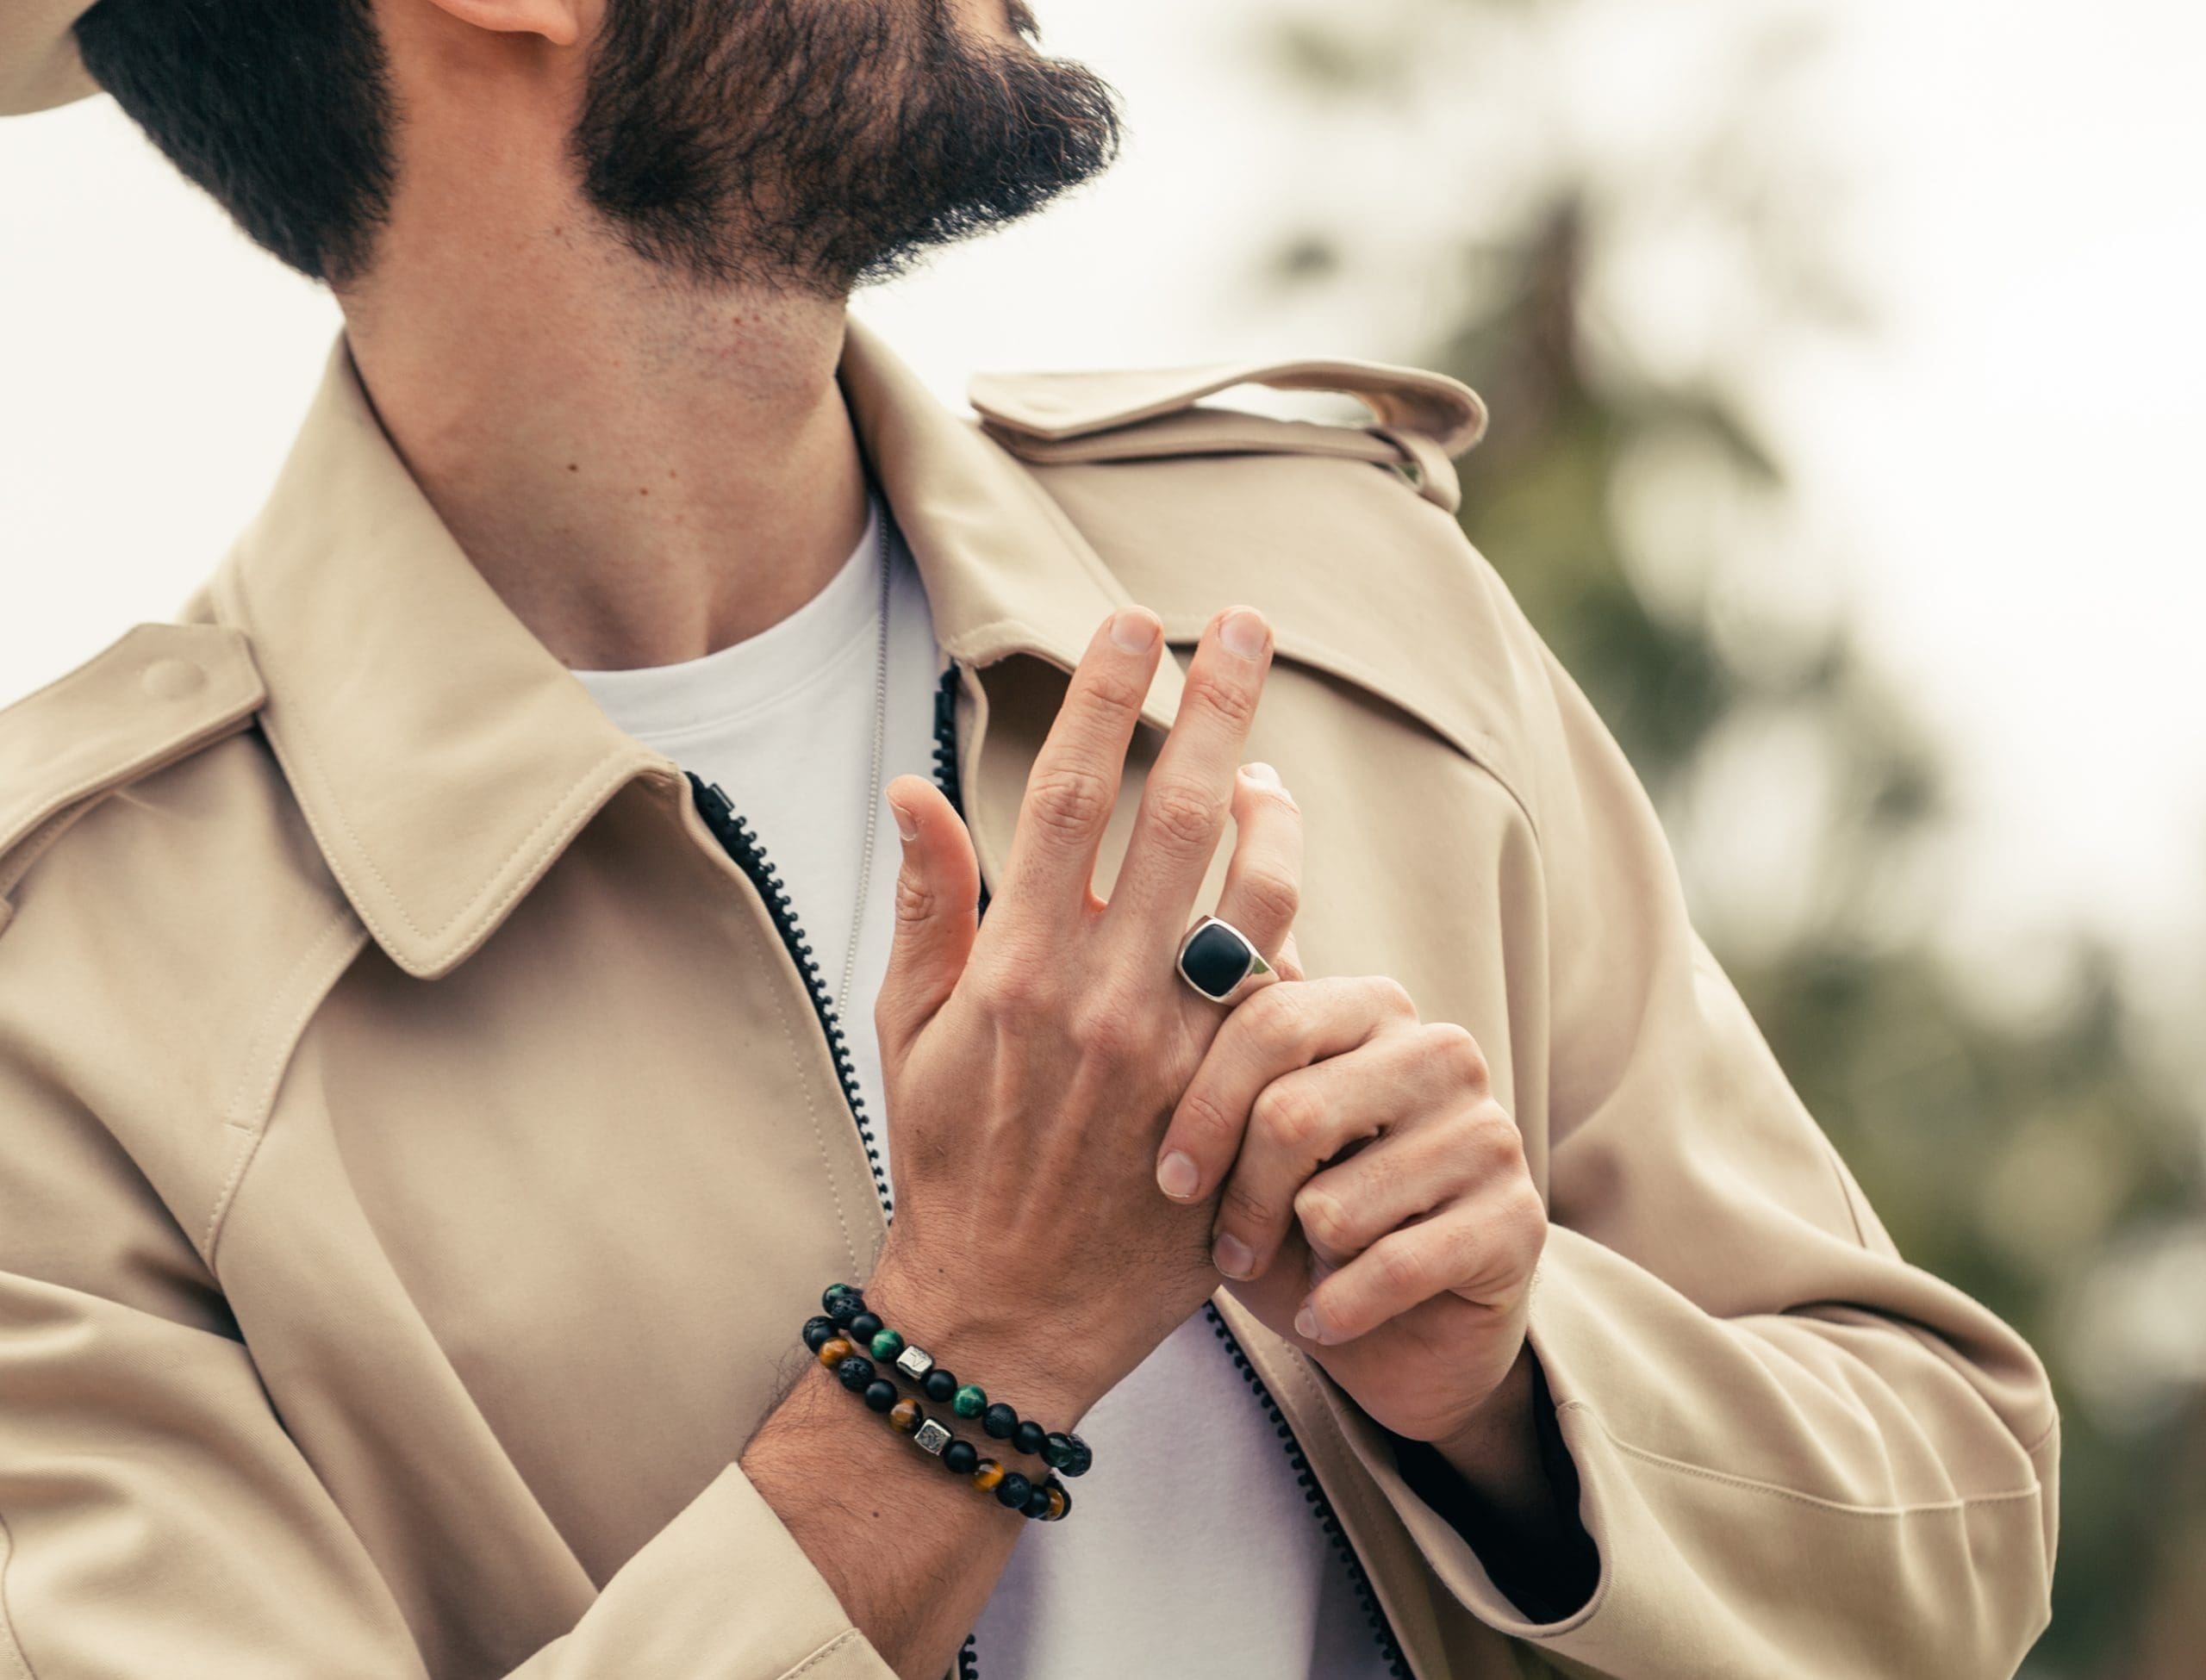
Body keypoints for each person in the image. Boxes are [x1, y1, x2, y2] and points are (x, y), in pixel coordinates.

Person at [0, 3, 2059, 1677]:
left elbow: (1952, 1542)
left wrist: (1513, 1395)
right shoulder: (65, 1018)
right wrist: (966, 1350)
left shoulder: (1345, 592)